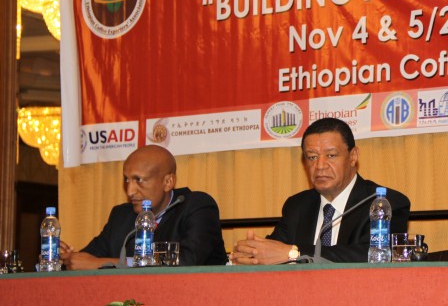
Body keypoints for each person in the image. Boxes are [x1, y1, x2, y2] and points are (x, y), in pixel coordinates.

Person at [230, 117, 411, 264]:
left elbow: (373, 256)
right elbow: (275, 250)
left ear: (353, 156)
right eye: (312, 157)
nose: (320, 166)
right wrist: (252, 253)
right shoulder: (297, 206)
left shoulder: (384, 202)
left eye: (331, 155)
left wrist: (294, 253)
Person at [60, 145, 228, 269]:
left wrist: (106, 263)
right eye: (127, 180)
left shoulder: (197, 206)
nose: (131, 191)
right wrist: (65, 259)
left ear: (168, 182)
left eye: (138, 180)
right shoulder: (121, 216)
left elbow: (187, 261)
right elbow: (88, 259)